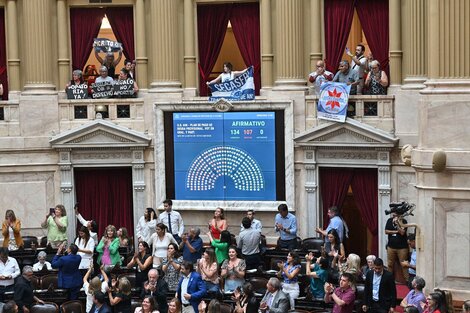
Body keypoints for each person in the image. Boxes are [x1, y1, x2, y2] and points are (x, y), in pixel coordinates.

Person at [385, 212, 409, 281]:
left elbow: (402, 232)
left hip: (402, 248)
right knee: (390, 265)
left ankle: (407, 281)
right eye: (393, 215)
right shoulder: (389, 220)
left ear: (399, 215)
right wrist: (395, 232)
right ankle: (389, 280)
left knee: (404, 265)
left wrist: (397, 224)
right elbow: (386, 231)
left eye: (396, 215)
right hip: (391, 247)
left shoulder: (403, 221)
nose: (394, 216)